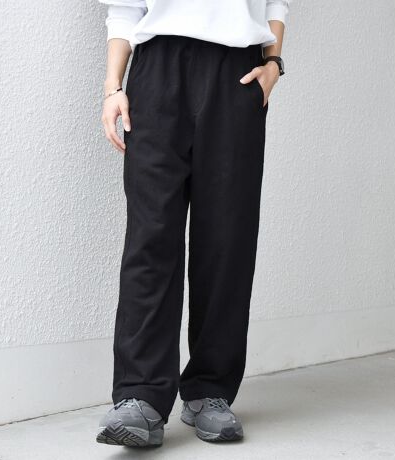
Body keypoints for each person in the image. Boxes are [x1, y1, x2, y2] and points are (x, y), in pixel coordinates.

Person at [96, 0, 291, 447]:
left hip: (237, 73)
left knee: (227, 238)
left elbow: (276, 2)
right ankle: (140, 396)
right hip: (157, 71)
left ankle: (209, 389)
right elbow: (125, 9)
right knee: (151, 235)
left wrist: (273, 64)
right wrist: (113, 86)